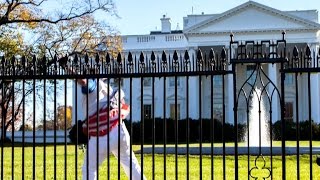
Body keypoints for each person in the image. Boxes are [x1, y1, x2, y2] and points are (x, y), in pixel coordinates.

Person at [76, 76, 146, 180]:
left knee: (89, 170)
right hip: (120, 130)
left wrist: (67, 67)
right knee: (131, 165)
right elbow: (124, 107)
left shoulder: (93, 84)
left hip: (101, 134)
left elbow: (83, 81)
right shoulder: (110, 89)